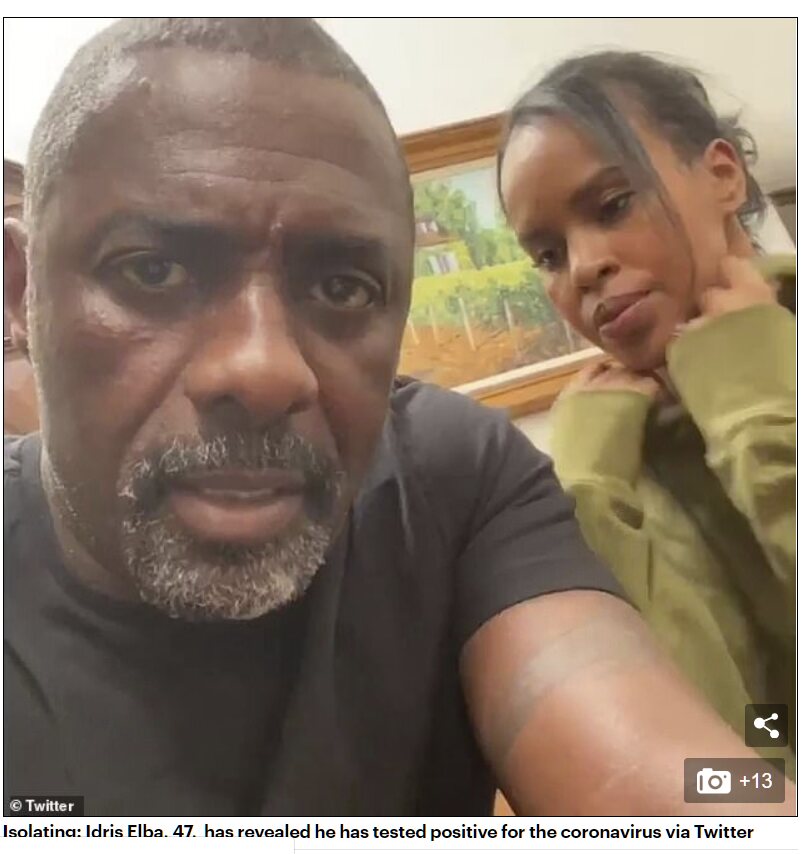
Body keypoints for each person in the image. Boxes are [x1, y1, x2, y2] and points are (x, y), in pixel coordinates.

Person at [3, 20, 794, 817]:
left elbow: (675, 766)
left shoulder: (450, 474)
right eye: (153, 270)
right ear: (20, 291)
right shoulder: (604, 433)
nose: (265, 368)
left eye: (341, 288)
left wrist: (774, 807)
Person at [497, 51, 796, 777]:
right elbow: (711, 765)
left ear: (722, 175)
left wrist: (752, 397)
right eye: (547, 254)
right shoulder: (615, 459)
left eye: (612, 206)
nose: (582, 267)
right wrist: (588, 496)